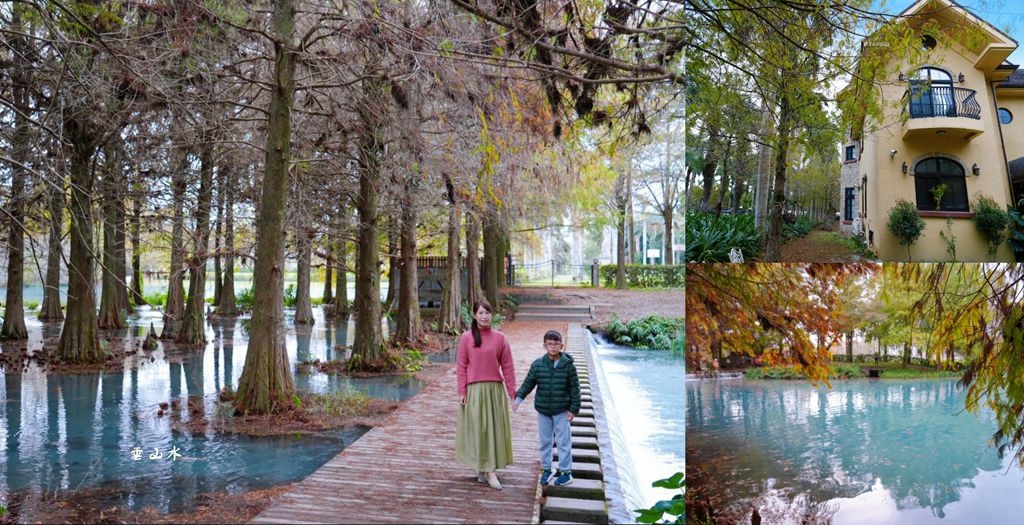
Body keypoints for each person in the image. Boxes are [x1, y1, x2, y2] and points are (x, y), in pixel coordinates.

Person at [456, 299, 517, 490]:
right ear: (474, 315)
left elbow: (508, 366)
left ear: (492, 315)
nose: (484, 316)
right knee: (478, 430)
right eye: (481, 313)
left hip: (493, 391)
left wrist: (512, 392)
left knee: (492, 430)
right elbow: (461, 366)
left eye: (487, 313)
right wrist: (462, 391)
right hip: (474, 390)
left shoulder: (500, 338)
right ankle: (481, 467)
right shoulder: (466, 337)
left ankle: (491, 471)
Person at [512, 329, 581, 487]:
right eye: (550, 344)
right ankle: (547, 469)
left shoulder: (568, 366)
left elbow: (575, 389)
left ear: (561, 345)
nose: (553, 347)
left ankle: (565, 472)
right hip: (543, 410)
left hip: (562, 409)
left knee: (563, 441)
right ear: (545, 345)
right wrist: (519, 398)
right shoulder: (537, 365)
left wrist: (574, 409)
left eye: (556, 344)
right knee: (545, 441)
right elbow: (528, 383)